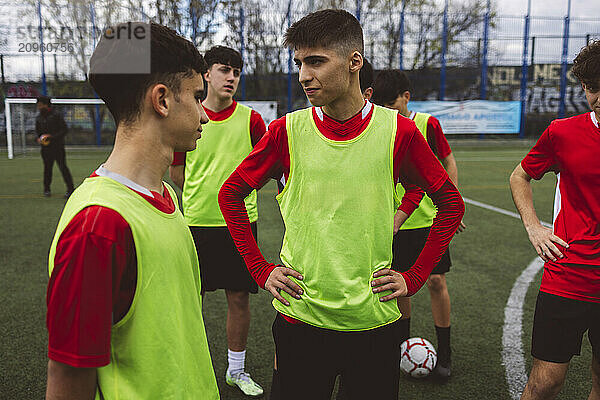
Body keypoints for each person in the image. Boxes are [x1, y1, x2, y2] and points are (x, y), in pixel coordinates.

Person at [218, 9, 464, 399]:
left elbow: (451, 204)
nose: (303, 75)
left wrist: (414, 277)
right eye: (299, 63)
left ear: (354, 62)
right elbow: (229, 194)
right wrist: (259, 269)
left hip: (375, 323)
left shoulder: (398, 131)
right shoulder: (286, 131)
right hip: (301, 319)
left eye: (316, 61)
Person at [45, 22, 219, 399]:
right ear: (162, 99)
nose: (205, 115)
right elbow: (69, 377)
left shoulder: (166, 195)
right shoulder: (99, 224)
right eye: (196, 96)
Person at [169, 45, 265, 398]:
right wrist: (201, 198)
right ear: (206, 74)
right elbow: (177, 171)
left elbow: (265, 168)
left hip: (241, 224)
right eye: (224, 70)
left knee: (239, 297)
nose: (232, 78)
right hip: (196, 224)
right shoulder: (189, 116)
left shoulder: (252, 120)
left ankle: (235, 371)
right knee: (193, 297)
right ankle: (186, 367)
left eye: (237, 72)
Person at [510, 40, 600, 400]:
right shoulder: (563, 132)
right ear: (583, 87)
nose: (599, 97)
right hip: (569, 276)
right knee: (545, 383)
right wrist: (533, 226)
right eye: (593, 88)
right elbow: (520, 176)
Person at [371, 69, 466, 379]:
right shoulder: (380, 127)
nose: (386, 109)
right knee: (400, 290)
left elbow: (448, 159)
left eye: (391, 103)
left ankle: (446, 352)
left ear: (406, 97)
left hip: (427, 221)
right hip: (392, 224)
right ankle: (401, 349)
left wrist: (452, 200)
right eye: (381, 103)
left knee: (436, 283)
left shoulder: (427, 124)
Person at [35, 96, 75, 198]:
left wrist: (51, 137)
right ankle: (46, 189)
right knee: (47, 168)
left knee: (63, 167)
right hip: (45, 149)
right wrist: (39, 139)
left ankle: (70, 189)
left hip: (58, 147)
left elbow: (64, 130)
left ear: (45, 104)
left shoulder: (56, 115)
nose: (38, 107)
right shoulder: (38, 118)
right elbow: (38, 133)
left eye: (40, 105)